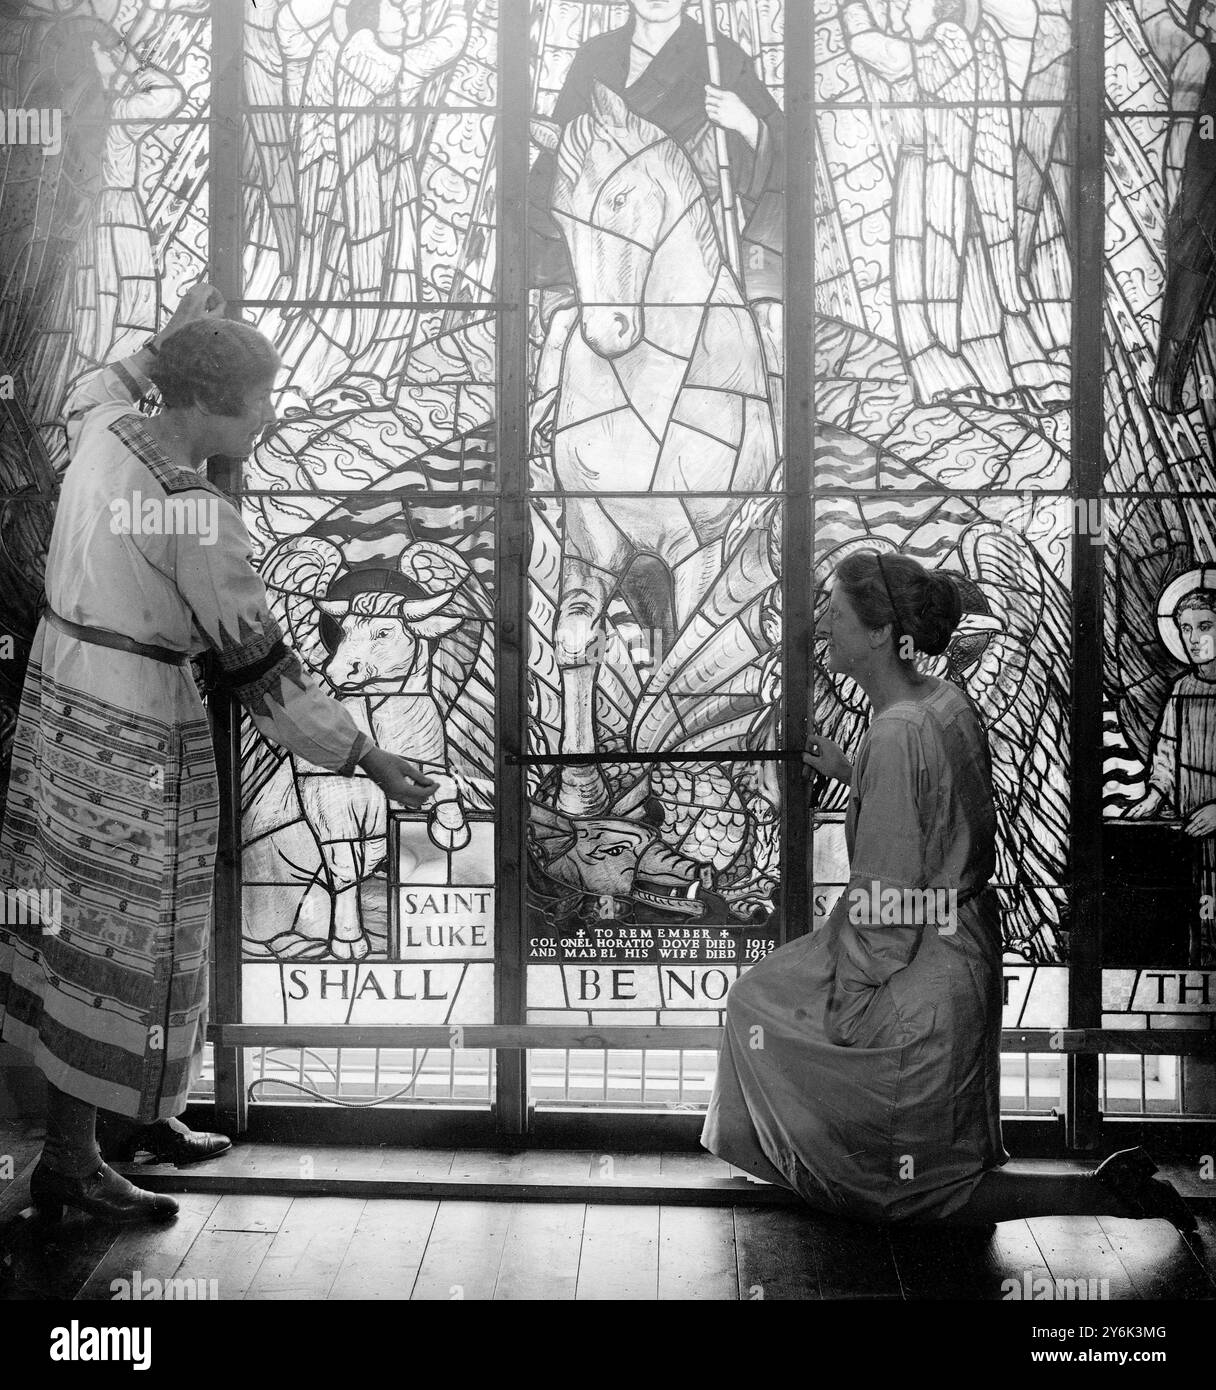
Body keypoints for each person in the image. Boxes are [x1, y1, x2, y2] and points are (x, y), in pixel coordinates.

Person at [0, 283, 438, 1225]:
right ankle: (71, 1167)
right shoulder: (194, 513)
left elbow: (100, 380)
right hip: (133, 730)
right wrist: (368, 757)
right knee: (119, 938)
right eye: (261, 398)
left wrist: (169, 342)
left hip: (61, 699)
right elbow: (264, 669)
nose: (270, 416)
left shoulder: (105, 425)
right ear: (213, 403)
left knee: (89, 931)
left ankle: (132, 1123)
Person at [702, 549, 1194, 1230]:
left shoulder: (897, 733)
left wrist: (848, 998)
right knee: (782, 1016)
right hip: (958, 948)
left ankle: (1100, 1195)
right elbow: (936, 808)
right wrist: (854, 769)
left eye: (836, 612)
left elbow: (891, 898)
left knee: (924, 1189)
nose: (823, 623)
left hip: (915, 970)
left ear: (878, 634)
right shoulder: (941, 701)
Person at [528, 0, 784, 356]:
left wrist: (747, 123)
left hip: (692, 251)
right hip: (601, 249)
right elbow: (562, 164)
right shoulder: (595, 56)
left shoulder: (720, 57)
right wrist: (558, 288)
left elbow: (791, 156)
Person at [1126, 584, 1216, 965]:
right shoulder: (1181, 689)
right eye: (1185, 629)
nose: (1194, 639)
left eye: (1205, 626)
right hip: (1191, 828)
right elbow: (1166, 752)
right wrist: (1154, 796)